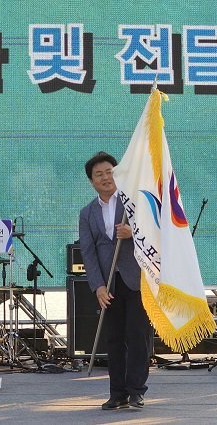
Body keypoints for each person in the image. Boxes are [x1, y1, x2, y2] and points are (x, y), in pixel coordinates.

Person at [79, 152, 153, 410]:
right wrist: (97, 285)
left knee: (137, 335)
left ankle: (136, 391)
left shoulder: (133, 203)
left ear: (117, 173)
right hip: (108, 283)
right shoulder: (87, 213)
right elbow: (87, 252)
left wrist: (132, 232)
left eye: (109, 172)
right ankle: (117, 393)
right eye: (98, 174)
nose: (105, 177)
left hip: (136, 278)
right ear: (92, 181)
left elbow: (154, 231)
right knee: (114, 339)